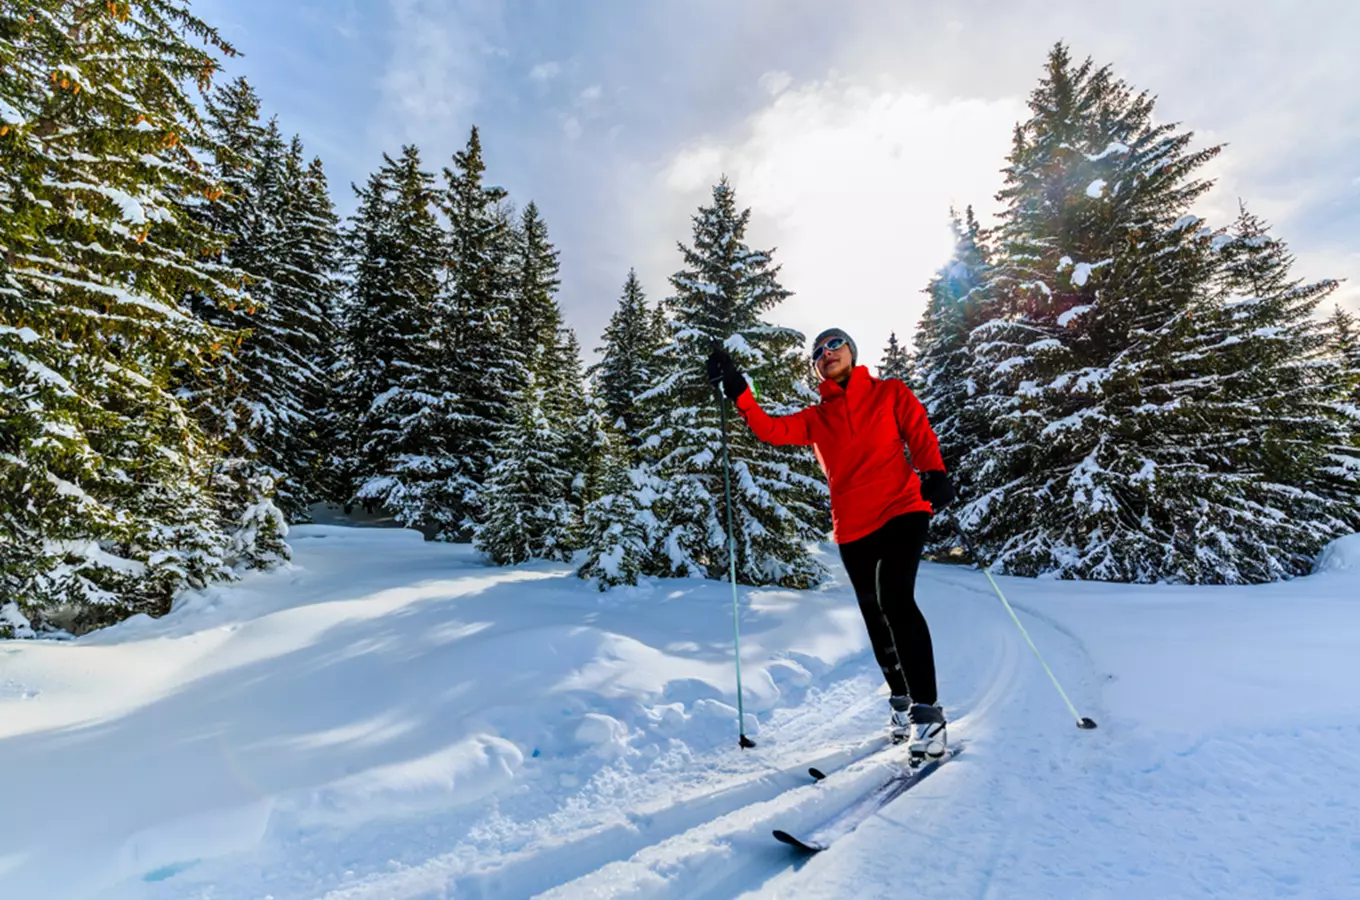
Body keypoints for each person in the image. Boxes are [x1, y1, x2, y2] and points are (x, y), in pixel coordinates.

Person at [706, 329, 955, 756]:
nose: (826, 354)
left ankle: (928, 717)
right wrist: (740, 393)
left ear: (852, 352)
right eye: (818, 353)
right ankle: (899, 701)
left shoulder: (889, 392)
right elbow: (770, 430)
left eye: (834, 344)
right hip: (853, 525)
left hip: (902, 508)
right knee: (875, 616)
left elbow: (917, 429)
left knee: (895, 599)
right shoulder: (817, 418)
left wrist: (933, 471)